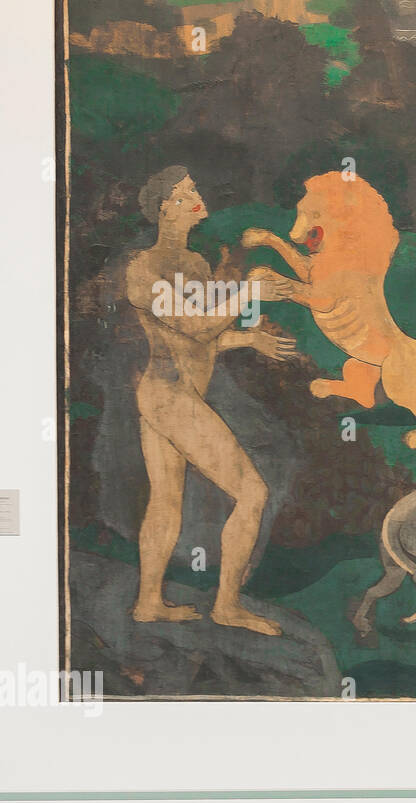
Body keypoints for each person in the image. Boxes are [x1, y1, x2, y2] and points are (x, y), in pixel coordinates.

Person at [126, 166, 297, 636]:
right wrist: (247, 293)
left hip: (170, 395)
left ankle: (147, 604)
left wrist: (247, 340)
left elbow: (200, 342)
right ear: (165, 208)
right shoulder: (145, 268)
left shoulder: (197, 267)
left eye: (196, 188)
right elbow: (196, 327)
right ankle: (227, 606)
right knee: (253, 492)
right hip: (169, 396)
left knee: (165, 501)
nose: (198, 196)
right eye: (186, 193)